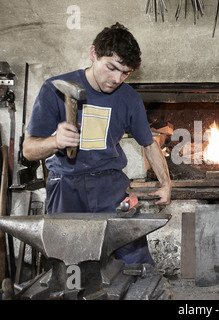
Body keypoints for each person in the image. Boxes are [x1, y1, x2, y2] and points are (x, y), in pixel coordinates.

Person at [22, 22, 172, 266]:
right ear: (93, 54)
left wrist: (166, 184)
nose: (116, 79)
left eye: (125, 73)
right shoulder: (54, 89)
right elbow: (28, 150)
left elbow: (149, 144)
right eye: (111, 68)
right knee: (70, 267)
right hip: (66, 186)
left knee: (135, 261)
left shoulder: (129, 99)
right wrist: (56, 141)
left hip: (111, 187)